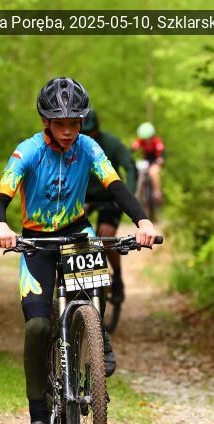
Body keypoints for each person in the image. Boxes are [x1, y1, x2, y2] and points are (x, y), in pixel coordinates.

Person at [0, 77, 159, 424]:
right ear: (46, 122)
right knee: (37, 326)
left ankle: (98, 341)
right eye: (60, 123)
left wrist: (143, 221)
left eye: (75, 123)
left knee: (94, 281)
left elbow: (116, 187)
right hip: (36, 240)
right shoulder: (28, 151)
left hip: (77, 231)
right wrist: (1, 226)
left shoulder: (89, 147)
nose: (68, 131)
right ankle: (37, 419)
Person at [82, 110, 138, 303]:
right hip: (84, 197)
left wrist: (128, 196)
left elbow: (130, 167)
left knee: (105, 237)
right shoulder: (74, 144)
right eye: (85, 133)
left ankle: (118, 279)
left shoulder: (112, 143)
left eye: (92, 132)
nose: (89, 136)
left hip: (110, 197)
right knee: (74, 235)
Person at [131, 121, 165, 205]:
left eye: (148, 138)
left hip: (156, 162)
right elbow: (133, 148)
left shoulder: (157, 141)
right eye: (145, 138)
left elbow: (162, 153)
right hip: (146, 161)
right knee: (138, 172)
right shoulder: (141, 141)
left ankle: (157, 193)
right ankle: (137, 194)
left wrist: (160, 160)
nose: (147, 140)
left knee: (153, 172)